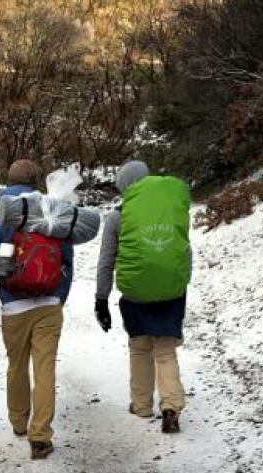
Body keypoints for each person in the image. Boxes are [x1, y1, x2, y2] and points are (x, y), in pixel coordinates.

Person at [0, 159, 74, 460]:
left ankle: (19, 422)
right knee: (45, 368)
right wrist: (59, 295)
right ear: (36, 182)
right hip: (48, 302)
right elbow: (67, 258)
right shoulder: (51, 207)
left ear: (8, 181)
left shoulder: (1, 212)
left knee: (16, 364)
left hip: (13, 303)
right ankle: (41, 436)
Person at [94, 161, 188, 434]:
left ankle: (142, 404)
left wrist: (101, 299)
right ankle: (171, 406)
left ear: (124, 187)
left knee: (139, 346)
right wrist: (181, 284)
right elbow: (184, 250)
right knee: (165, 351)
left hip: (135, 292)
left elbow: (106, 261)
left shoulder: (116, 218)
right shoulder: (171, 210)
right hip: (171, 290)